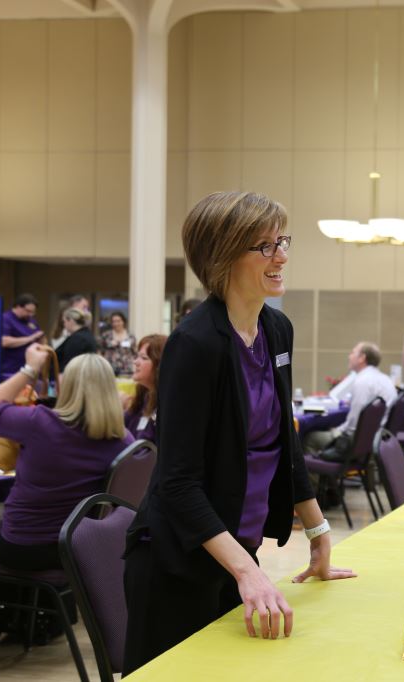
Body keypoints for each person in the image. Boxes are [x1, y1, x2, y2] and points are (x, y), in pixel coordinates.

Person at [123, 191, 355, 675]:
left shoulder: (277, 330)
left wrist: (317, 532)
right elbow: (178, 481)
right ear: (223, 255)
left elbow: (284, 441)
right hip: (177, 562)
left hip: (235, 553)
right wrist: (249, 572)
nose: (282, 256)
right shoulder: (195, 344)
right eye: (265, 246)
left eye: (282, 242)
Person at [0, 350, 134, 570]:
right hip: (79, 548)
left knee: (0, 535)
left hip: (22, 542)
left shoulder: (39, 422)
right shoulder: (123, 441)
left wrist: (29, 369)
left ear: (68, 385)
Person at [302, 342, 398, 458]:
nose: (349, 356)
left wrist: (335, 431)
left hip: (356, 444)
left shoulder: (363, 382)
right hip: (377, 440)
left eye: (353, 352)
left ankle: (320, 472)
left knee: (310, 438)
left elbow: (353, 426)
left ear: (362, 358)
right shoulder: (385, 379)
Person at [124, 334, 166, 444]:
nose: (136, 362)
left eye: (143, 358)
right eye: (137, 356)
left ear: (159, 365)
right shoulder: (143, 397)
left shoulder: (164, 405)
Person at [0, 293, 43, 382]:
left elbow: (39, 335)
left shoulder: (31, 321)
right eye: (28, 311)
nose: (31, 314)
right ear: (18, 306)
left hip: (30, 369)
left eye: (33, 312)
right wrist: (30, 338)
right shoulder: (6, 319)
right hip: (11, 371)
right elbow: (4, 341)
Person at [55, 308, 97, 372]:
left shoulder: (77, 339)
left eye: (64, 321)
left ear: (71, 321)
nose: (64, 325)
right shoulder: (87, 335)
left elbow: (69, 362)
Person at [100, 311, 137, 376]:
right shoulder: (106, 335)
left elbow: (135, 353)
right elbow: (101, 351)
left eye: (118, 321)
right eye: (114, 321)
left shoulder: (130, 336)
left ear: (123, 321)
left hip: (127, 369)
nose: (116, 323)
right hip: (110, 369)